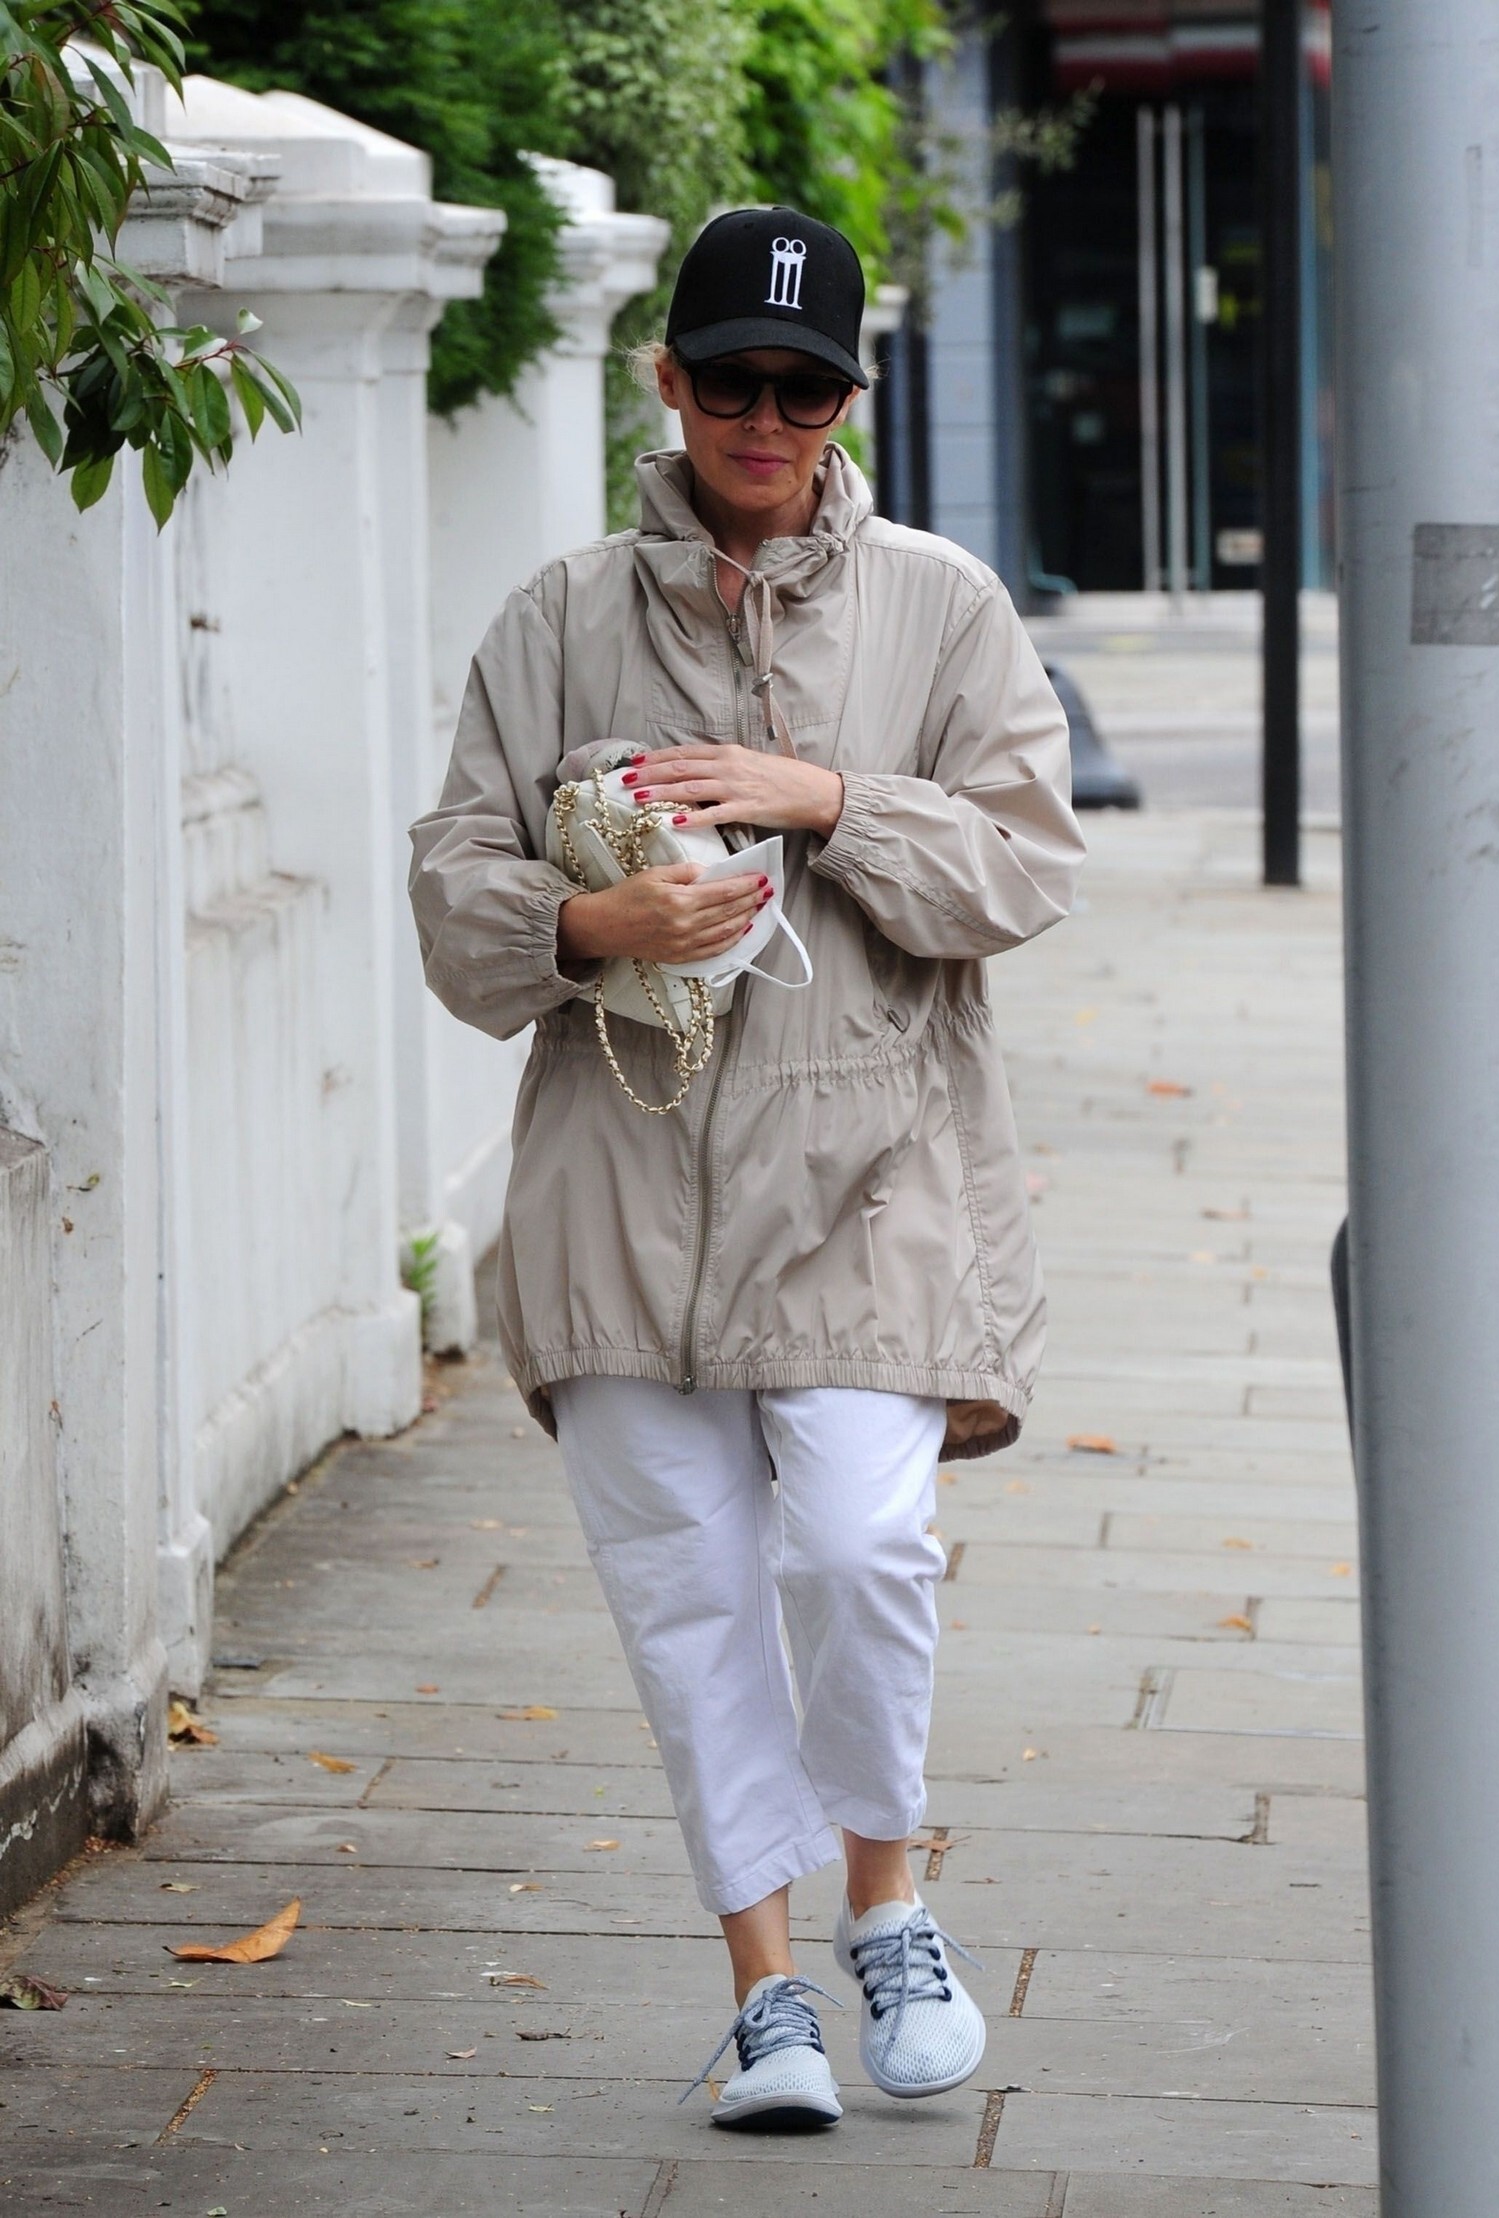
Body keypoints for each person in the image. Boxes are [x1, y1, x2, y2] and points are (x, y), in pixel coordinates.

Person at [409, 204, 1085, 2131]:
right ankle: (766, 1991)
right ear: (670, 380)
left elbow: (1026, 863)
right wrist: (588, 924)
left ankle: (888, 1901)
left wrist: (832, 800)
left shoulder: (945, 605)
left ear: (850, 397)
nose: (765, 421)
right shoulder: (556, 618)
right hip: (617, 1196)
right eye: (731, 382)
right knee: (686, 1594)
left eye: (804, 388)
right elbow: (451, 885)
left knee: (861, 1546)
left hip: (872, 1177)